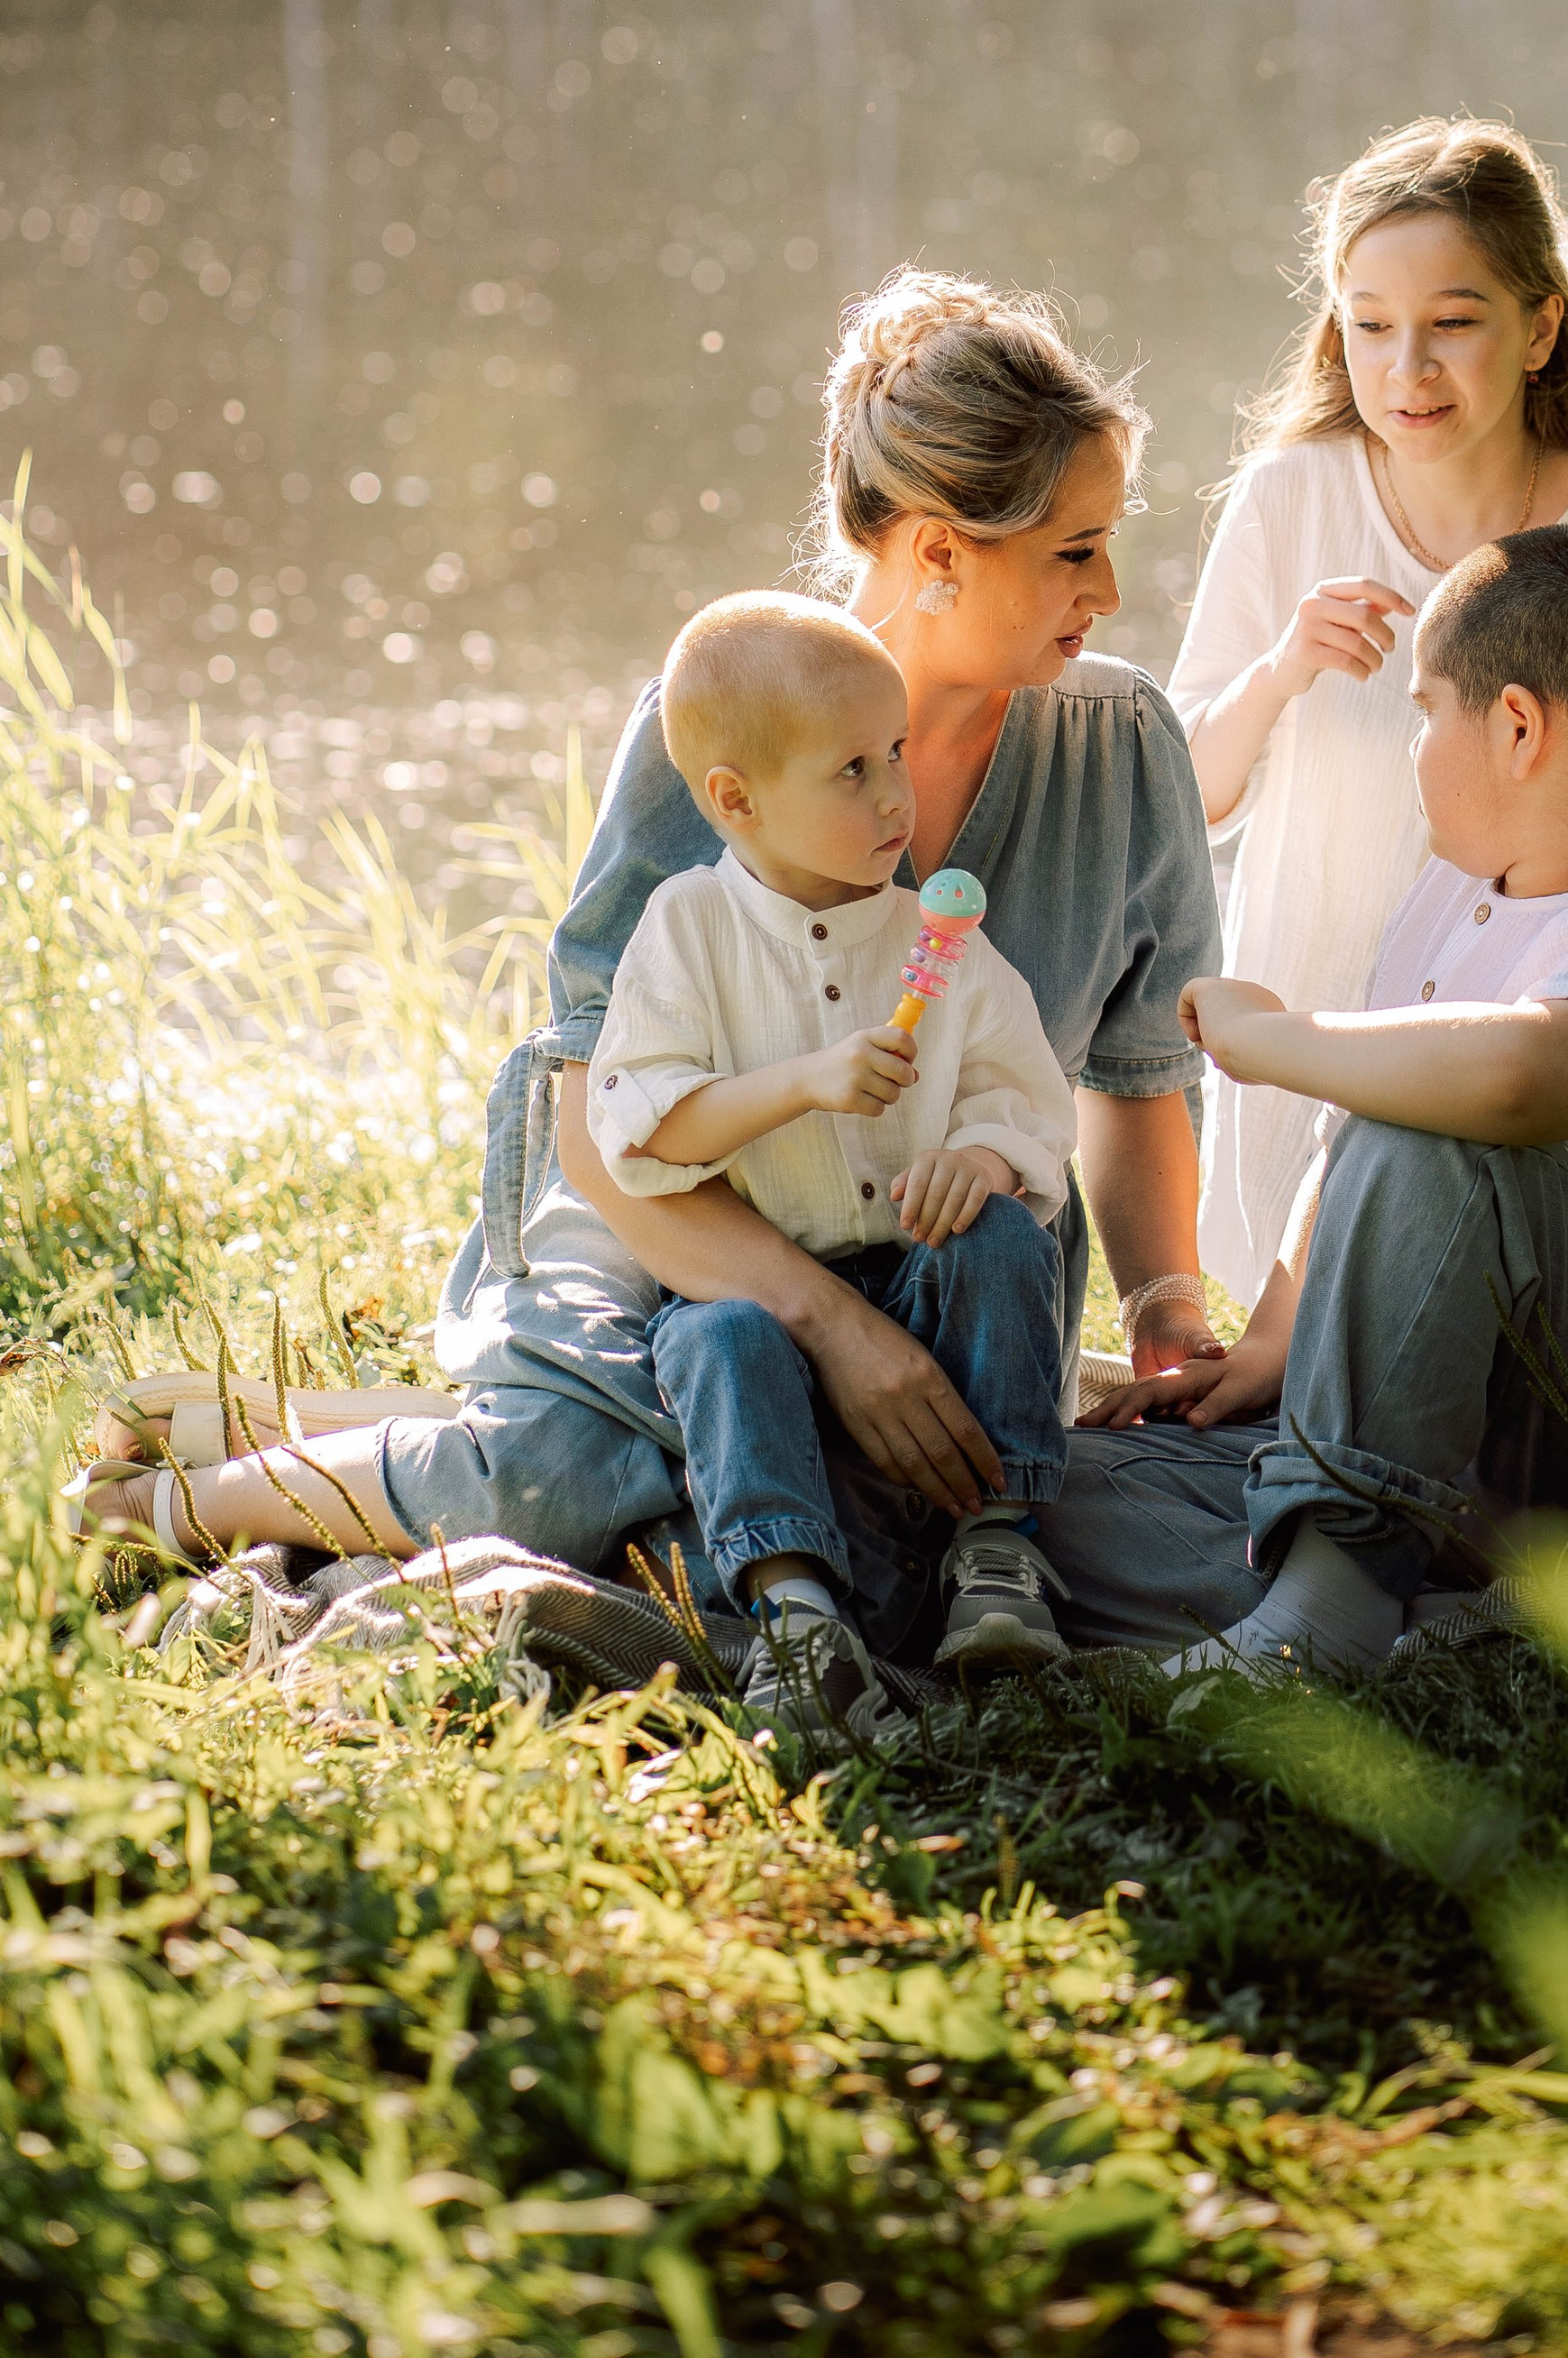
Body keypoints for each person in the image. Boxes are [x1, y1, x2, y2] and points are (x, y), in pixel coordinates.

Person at [76, 278, 1223, 1629]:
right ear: (938, 552)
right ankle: (200, 1496)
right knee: (589, 1481)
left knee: (875, 1500)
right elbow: (595, 1117)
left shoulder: (1122, 741)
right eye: (1072, 552)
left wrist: (1165, 1312)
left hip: (930, 1232)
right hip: (666, 1197)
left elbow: (1138, 1081)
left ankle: (374, 1417)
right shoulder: (723, 731)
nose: (1114, 589)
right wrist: (832, 1329)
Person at [1056, 522, 1568, 1669]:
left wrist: (1278, 1039)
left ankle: (1329, 1604)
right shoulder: (1449, 900)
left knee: (1438, 1122)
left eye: (1423, 711)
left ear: (1514, 727)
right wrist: (1269, 1344)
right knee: (1042, 1496)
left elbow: (1512, 1084)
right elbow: (1355, 1143)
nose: (1414, 747)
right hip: (1464, 1430)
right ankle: (1428, 1606)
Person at [1169, 115, 1568, 1310]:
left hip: (1527, 1037)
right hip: (1311, 1007)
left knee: (1509, 1329)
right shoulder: (1292, 499)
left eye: (1454, 323)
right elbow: (1186, 794)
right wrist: (1282, 670)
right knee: (1304, 1346)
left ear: (1541, 326)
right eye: (1372, 326)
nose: (1407, 370)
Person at [586, 591, 1079, 1738]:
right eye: (851, 769)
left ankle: (997, 1559)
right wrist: (802, 1083)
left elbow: (1031, 1103)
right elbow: (643, 1126)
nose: (896, 793)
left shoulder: (938, 939)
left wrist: (984, 1160)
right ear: (735, 800)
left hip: (918, 1274)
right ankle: (799, 1615)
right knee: (712, 1338)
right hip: (769, 1288)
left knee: (1004, 1241)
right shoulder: (687, 929)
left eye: (896, 751)